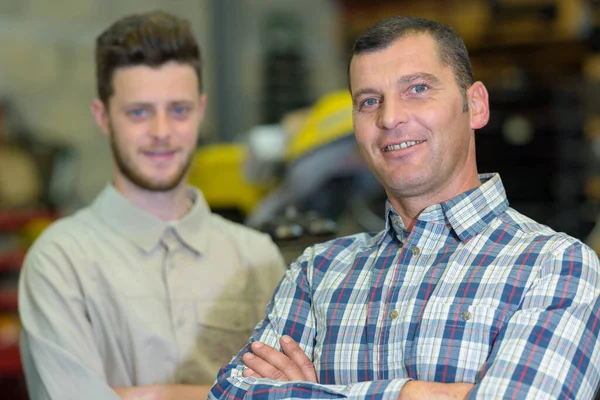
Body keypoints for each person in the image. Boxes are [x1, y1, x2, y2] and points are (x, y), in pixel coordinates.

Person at [209, 16, 600, 400]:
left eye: (416, 89)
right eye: (369, 101)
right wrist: (409, 394)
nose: (390, 117)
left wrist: (309, 393)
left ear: (476, 105)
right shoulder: (317, 273)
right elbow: (231, 393)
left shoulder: (555, 266)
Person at [18, 10, 286, 400]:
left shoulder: (257, 260)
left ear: (200, 110)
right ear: (103, 117)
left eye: (178, 110)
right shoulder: (59, 262)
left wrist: (137, 395)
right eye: (139, 112)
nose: (161, 132)